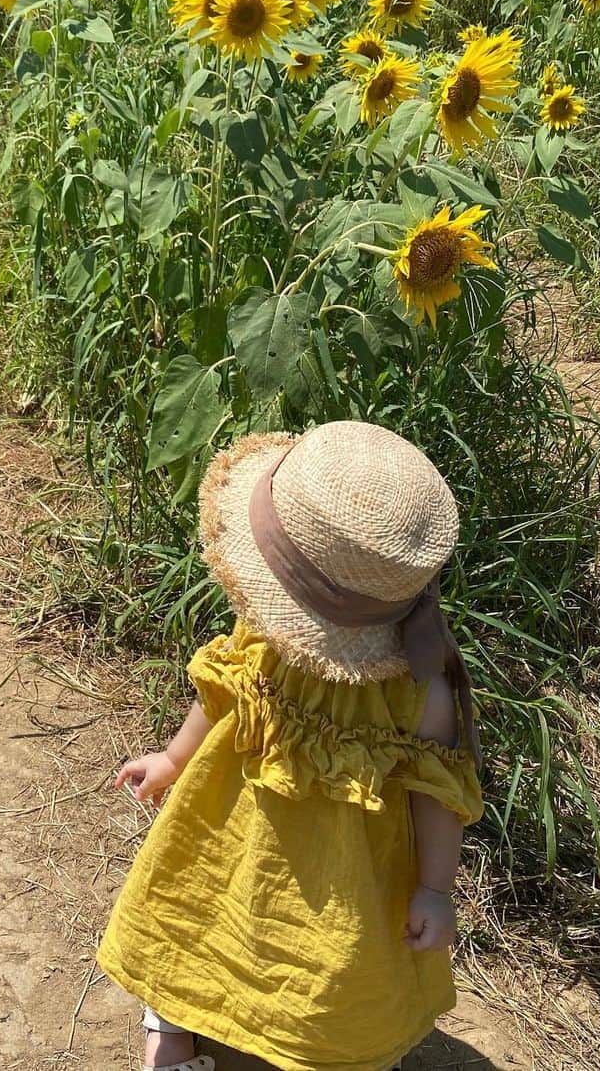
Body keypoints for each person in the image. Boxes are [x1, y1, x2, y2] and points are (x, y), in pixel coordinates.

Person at [98, 420, 484, 1071]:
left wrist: (435, 891)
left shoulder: (420, 695)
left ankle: (325, 1045)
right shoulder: (267, 635)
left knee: (326, 967)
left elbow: (435, 796)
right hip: (231, 821)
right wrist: (172, 759)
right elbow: (218, 697)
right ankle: (172, 1019)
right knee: (193, 912)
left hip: (344, 874)